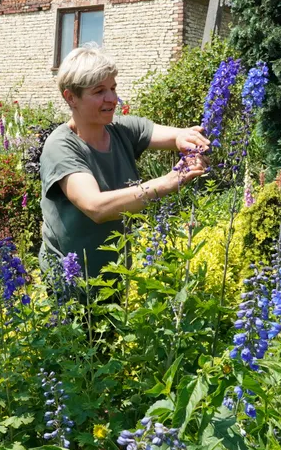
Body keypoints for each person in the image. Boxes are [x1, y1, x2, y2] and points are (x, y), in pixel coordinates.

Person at [39, 47, 209, 280]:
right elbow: (96, 208)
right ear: (71, 97)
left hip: (117, 278)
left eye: (113, 88)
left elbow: (176, 135)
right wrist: (169, 182)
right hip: (71, 290)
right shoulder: (61, 147)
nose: (112, 98)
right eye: (99, 91)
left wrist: (187, 140)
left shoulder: (121, 130)